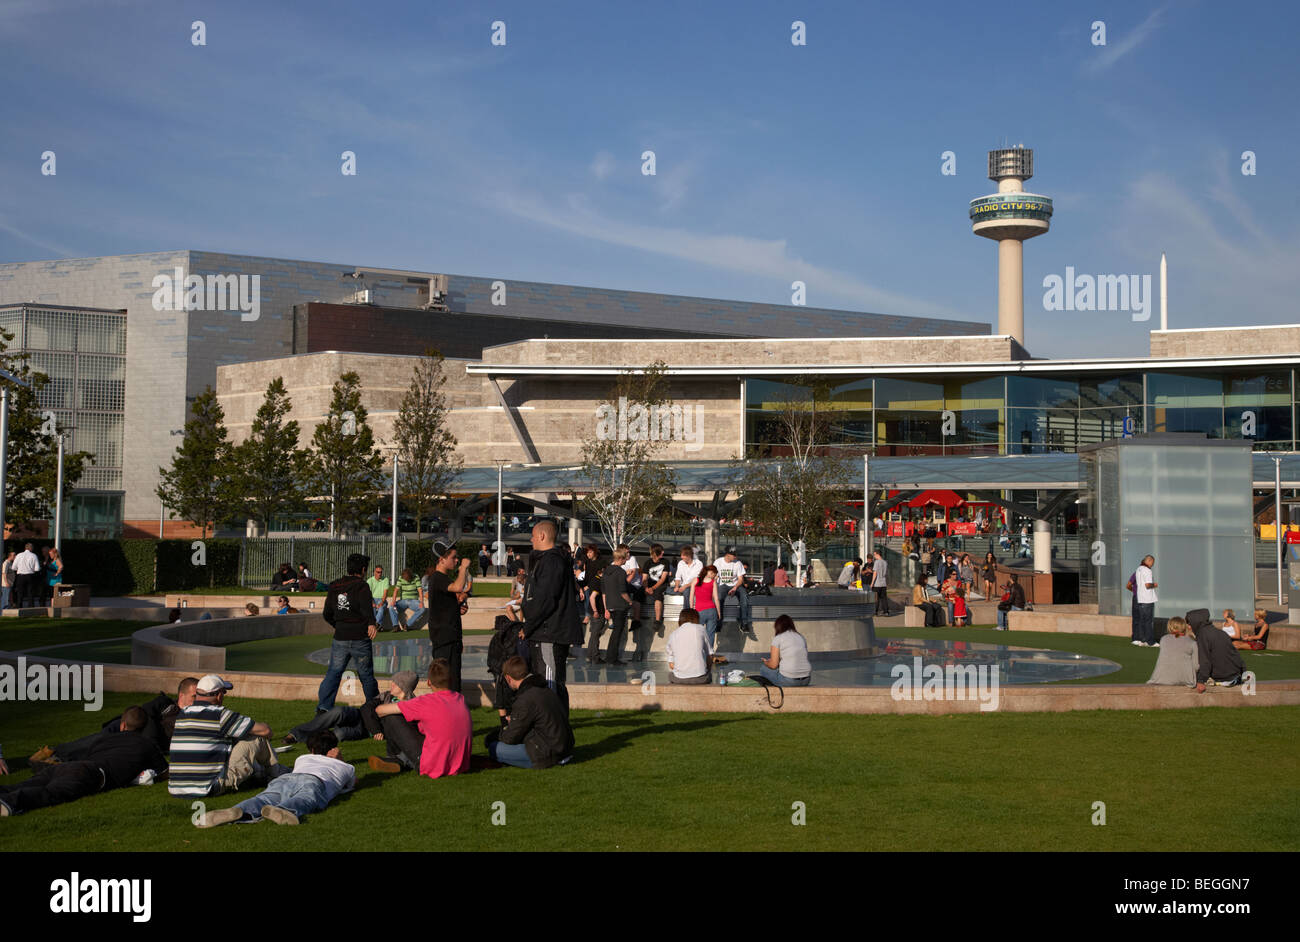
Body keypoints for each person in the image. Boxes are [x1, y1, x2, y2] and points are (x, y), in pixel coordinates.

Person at [0, 707, 167, 817]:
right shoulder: (147, 745)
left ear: (122, 725)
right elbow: (164, 771)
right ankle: (10, 802)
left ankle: (7, 794)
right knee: (51, 793)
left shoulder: (103, 740)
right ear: (144, 728)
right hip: (91, 774)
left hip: (69, 767)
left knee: (26, 783)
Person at [196, 730, 356, 827]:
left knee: (264, 798)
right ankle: (285, 809)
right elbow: (352, 783)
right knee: (306, 798)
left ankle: (239, 809)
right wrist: (340, 760)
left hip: (287, 778)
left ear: (312, 749)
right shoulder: (346, 768)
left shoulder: (302, 758)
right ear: (335, 748)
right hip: (314, 782)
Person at [30, 677, 198, 768]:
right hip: (131, 724)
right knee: (100, 738)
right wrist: (150, 736)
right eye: (194, 696)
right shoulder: (165, 703)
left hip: (138, 737)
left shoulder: (191, 718)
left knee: (104, 748)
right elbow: (144, 712)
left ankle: (59, 759)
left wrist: (149, 737)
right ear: (182, 695)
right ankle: (54, 751)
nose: (198, 701)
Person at [168, 674, 282, 798]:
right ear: (219, 695)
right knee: (256, 738)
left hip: (176, 788)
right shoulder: (220, 715)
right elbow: (265, 731)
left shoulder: (182, 714)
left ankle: (263, 774)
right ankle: (277, 775)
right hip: (209, 787)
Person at [521, 520, 583, 715]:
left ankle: (554, 731)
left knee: (550, 685)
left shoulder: (551, 561)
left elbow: (546, 599)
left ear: (542, 536)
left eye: (533, 535)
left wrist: (529, 626)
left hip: (549, 633)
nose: (531, 539)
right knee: (551, 683)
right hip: (545, 631)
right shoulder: (547, 560)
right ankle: (553, 728)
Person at [373, 658, 471, 779]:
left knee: (391, 717)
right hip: (460, 764)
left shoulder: (425, 702)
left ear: (429, 682)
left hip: (432, 765)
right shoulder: (460, 699)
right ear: (450, 680)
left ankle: (396, 758)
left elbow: (379, 710)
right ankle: (401, 759)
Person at [316, 553, 380, 713]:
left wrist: (338, 625)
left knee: (333, 674)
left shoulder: (335, 586)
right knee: (366, 676)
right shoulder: (362, 585)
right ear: (363, 569)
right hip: (360, 637)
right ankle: (374, 711)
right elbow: (367, 609)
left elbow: (327, 613)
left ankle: (323, 707)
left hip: (341, 637)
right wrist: (372, 623)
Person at [486, 656, 574, 769]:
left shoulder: (525, 699)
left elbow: (510, 738)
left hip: (547, 754)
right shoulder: (545, 690)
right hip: (564, 748)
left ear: (508, 678)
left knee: (494, 747)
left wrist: (498, 734)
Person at [1192, 609, 1247, 692]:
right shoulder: (1221, 629)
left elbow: (1237, 636)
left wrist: (1201, 680)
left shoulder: (1207, 635)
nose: (1223, 614)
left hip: (1226, 673)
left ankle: (1227, 679)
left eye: (1224, 613)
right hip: (1232, 672)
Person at [760, 614, 812, 687]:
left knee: (763, 669)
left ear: (778, 626)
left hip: (789, 681)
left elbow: (774, 665)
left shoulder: (778, 638)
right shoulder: (801, 637)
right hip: (806, 680)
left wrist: (766, 662)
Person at [601, 549, 632, 666]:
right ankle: (612, 658)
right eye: (625, 558)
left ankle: (610, 656)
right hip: (620, 606)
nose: (626, 560)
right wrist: (630, 602)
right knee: (617, 633)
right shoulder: (620, 572)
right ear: (621, 559)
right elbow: (623, 592)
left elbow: (604, 593)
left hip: (610, 605)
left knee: (615, 632)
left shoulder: (606, 571)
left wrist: (606, 608)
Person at [1146, 616, 1198, 686]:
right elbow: (1196, 666)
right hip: (1186, 680)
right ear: (1184, 627)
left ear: (1169, 626)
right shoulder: (1192, 643)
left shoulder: (1164, 639)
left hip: (1160, 679)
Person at [665, 607, 711, 684]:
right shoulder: (701, 629)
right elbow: (710, 654)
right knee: (709, 675)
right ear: (696, 618)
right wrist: (707, 670)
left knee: (670, 675)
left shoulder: (673, 634)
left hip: (679, 679)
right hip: (700, 678)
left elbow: (671, 664)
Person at [712, 546, 752, 631]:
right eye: (733, 555)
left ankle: (744, 623)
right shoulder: (718, 562)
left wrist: (735, 587)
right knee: (718, 598)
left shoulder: (738, 563)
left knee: (744, 597)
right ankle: (718, 623)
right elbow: (714, 577)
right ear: (727, 555)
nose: (735, 557)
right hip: (723, 585)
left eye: (735, 555)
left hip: (736, 585)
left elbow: (740, 579)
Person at [642, 543, 672, 643]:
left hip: (659, 585)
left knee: (658, 595)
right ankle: (636, 620)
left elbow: (663, 579)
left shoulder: (665, 562)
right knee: (638, 594)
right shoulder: (647, 563)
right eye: (660, 551)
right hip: (649, 585)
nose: (663, 553)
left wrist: (653, 588)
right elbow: (645, 578)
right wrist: (646, 587)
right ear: (655, 553)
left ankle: (658, 620)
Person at [694, 564, 722, 662]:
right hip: (711, 610)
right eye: (714, 574)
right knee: (711, 634)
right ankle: (709, 655)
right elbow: (716, 599)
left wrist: (691, 609)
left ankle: (698, 654)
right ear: (710, 572)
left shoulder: (696, 580)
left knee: (698, 634)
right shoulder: (713, 582)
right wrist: (719, 612)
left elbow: (690, 597)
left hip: (699, 611)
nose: (714, 576)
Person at [584, 564, 608, 663]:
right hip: (598, 612)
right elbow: (592, 597)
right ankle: (595, 657)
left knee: (593, 634)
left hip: (594, 611)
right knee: (595, 635)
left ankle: (590, 655)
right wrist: (595, 611)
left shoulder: (594, 579)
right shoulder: (598, 581)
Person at [1132, 555, 1157, 647]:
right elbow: (1147, 585)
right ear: (1149, 561)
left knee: (1141, 620)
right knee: (1148, 621)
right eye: (1152, 563)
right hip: (1147, 599)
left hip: (1141, 598)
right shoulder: (1147, 570)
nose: (1152, 565)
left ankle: (1141, 639)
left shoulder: (1139, 569)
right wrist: (1154, 584)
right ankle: (1150, 641)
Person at [12, 542, 41, 609]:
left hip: (20, 575)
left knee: (20, 592)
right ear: (31, 548)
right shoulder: (34, 555)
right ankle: (30, 607)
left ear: (25, 548)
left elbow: (13, 567)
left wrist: (19, 568)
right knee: (30, 592)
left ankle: (19, 606)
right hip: (30, 575)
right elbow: (37, 568)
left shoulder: (19, 555)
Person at [367, 563, 393, 631]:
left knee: (381, 607)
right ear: (374, 572)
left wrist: (381, 602)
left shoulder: (385, 580)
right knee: (372, 608)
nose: (380, 574)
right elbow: (368, 594)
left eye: (381, 572)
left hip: (382, 599)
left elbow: (385, 593)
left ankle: (376, 624)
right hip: (372, 599)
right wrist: (372, 602)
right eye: (378, 572)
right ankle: (379, 626)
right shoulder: (369, 581)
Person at [870, 549, 889, 615]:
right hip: (883, 583)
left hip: (877, 583)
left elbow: (875, 573)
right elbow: (886, 573)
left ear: (878, 554)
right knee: (884, 598)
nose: (874, 556)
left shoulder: (877, 562)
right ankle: (886, 611)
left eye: (874, 554)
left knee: (876, 598)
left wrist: (872, 583)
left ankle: (875, 611)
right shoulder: (885, 562)